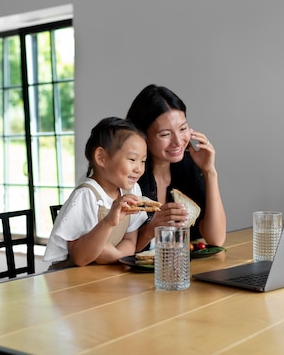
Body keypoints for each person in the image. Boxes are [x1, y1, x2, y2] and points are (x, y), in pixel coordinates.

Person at [126, 84, 227, 250]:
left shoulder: (188, 166)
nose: (178, 141)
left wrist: (210, 172)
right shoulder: (130, 175)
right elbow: (119, 250)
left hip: (181, 270)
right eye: (165, 134)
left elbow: (216, 238)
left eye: (183, 129)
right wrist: (151, 228)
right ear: (142, 135)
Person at [44, 117, 150, 269]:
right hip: (70, 281)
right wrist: (108, 222)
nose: (139, 168)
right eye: (132, 159)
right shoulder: (86, 196)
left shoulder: (132, 190)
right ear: (101, 157)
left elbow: (130, 241)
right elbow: (80, 258)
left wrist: (114, 255)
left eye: (143, 161)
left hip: (103, 275)